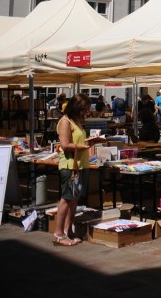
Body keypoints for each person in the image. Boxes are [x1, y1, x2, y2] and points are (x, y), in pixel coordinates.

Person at [54, 93, 97, 246]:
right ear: (77, 107)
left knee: (74, 199)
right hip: (70, 165)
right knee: (66, 198)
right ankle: (58, 234)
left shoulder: (76, 121)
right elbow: (65, 145)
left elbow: (76, 140)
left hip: (81, 164)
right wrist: (83, 146)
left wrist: (88, 142)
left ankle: (68, 231)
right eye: (85, 108)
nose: (87, 111)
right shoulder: (65, 122)